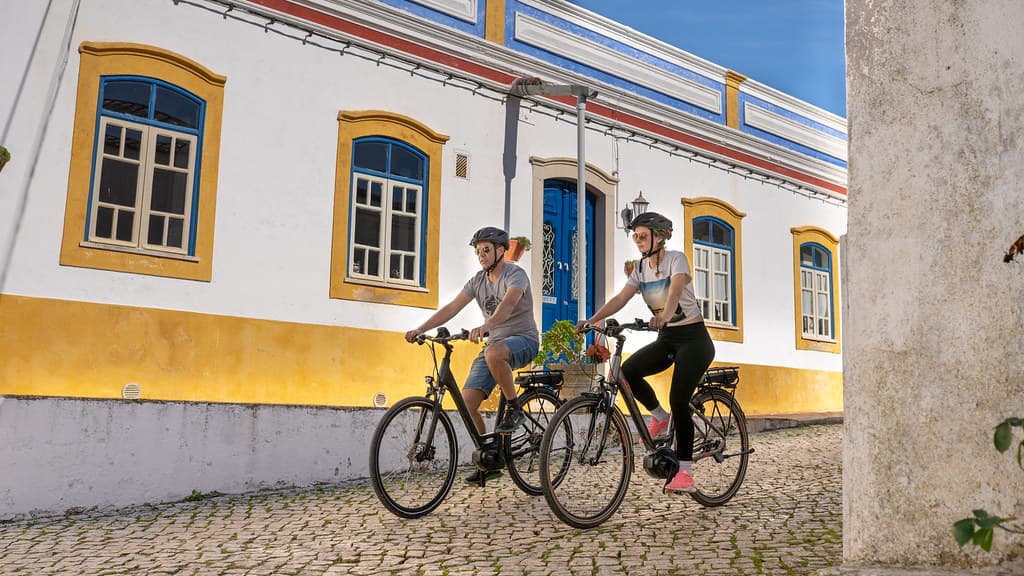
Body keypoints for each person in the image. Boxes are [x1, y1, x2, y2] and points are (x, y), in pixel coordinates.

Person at [576, 212, 715, 495]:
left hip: (694, 340)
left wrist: (664, 314)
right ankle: (658, 416)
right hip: (668, 339)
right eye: (635, 237)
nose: (637, 242)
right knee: (626, 371)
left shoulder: (677, 259)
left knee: (679, 399)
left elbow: (676, 289)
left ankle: (685, 471)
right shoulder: (640, 268)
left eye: (642, 236)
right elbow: (620, 298)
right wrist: (594, 320)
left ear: (660, 236)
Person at [405, 226, 540, 484]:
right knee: (467, 405)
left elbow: (508, 304)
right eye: (478, 251)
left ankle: (514, 409)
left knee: (494, 352)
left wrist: (487, 326)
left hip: (524, 340)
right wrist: (421, 329)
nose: (481, 255)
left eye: (486, 250)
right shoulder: (477, 281)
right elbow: (452, 307)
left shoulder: (515, 274)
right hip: (494, 347)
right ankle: (490, 459)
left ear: (501, 251)